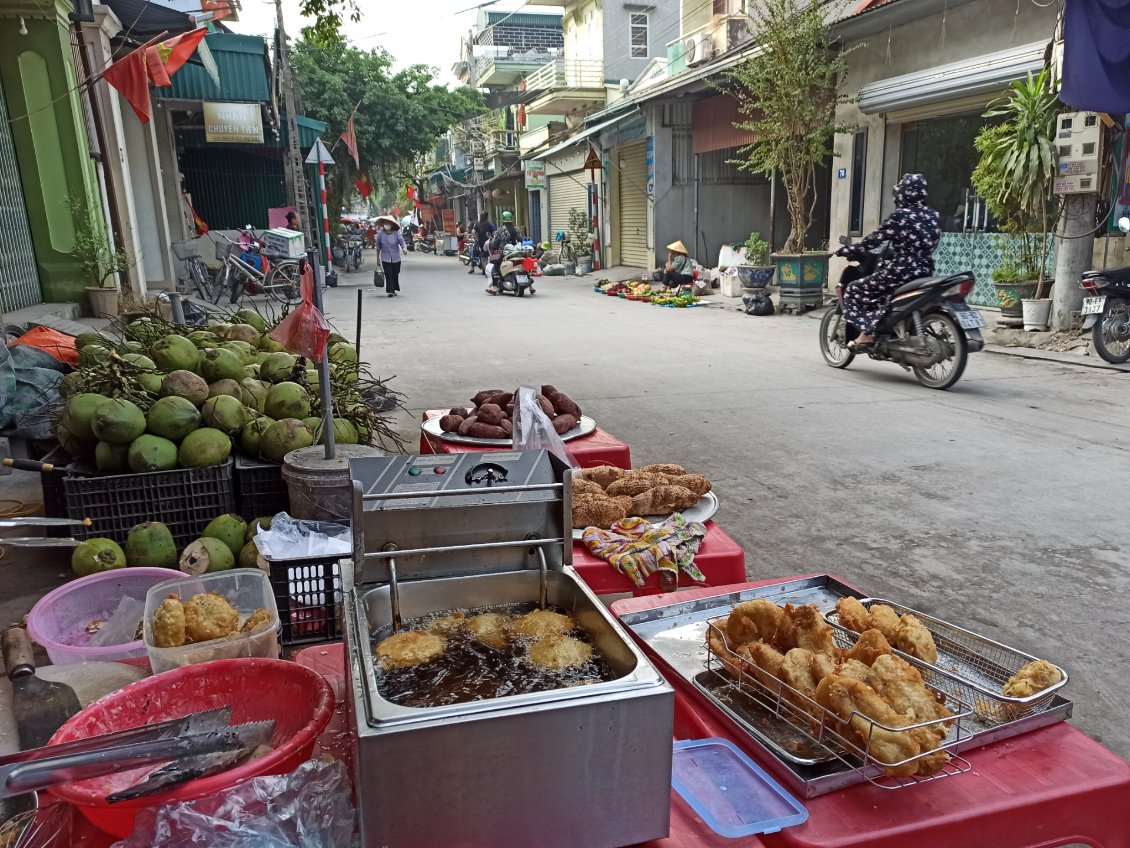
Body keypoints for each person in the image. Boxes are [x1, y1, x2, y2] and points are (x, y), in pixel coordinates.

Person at [841, 173, 940, 350]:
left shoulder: (899, 216)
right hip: (925, 270)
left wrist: (851, 249)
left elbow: (874, 239)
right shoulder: (933, 215)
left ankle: (866, 335)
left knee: (854, 289)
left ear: (903, 194)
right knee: (883, 293)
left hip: (900, 271)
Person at [486, 211, 521, 295]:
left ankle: (494, 287)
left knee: (495, 268)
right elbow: (520, 240)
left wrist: (492, 245)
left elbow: (495, 243)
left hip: (504, 252)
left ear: (502, 219)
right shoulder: (516, 229)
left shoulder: (500, 230)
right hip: (516, 251)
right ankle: (531, 287)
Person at [375, 215, 407, 297]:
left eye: (388, 223)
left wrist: (404, 249)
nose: (386, 225)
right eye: (385, 223)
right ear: (382, 224)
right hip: (385, 258)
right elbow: (378, 247)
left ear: (392, 225)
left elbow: (402, 242)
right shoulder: (380, 234)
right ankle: (390, 291)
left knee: (395, 273)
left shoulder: (396, 233)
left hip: (396, 258)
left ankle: (394, 288)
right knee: (388, 274)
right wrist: (377, 259)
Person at [469, 211, 495, 276]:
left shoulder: (478, 224)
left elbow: (473, 231)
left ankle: (484, 271)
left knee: (482, 258)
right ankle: (488, 271)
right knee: (490, 256)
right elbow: (494, 233)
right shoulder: (490, 224)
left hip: (480, 243)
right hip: (489, 243)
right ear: (487, 216)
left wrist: (476, 238)